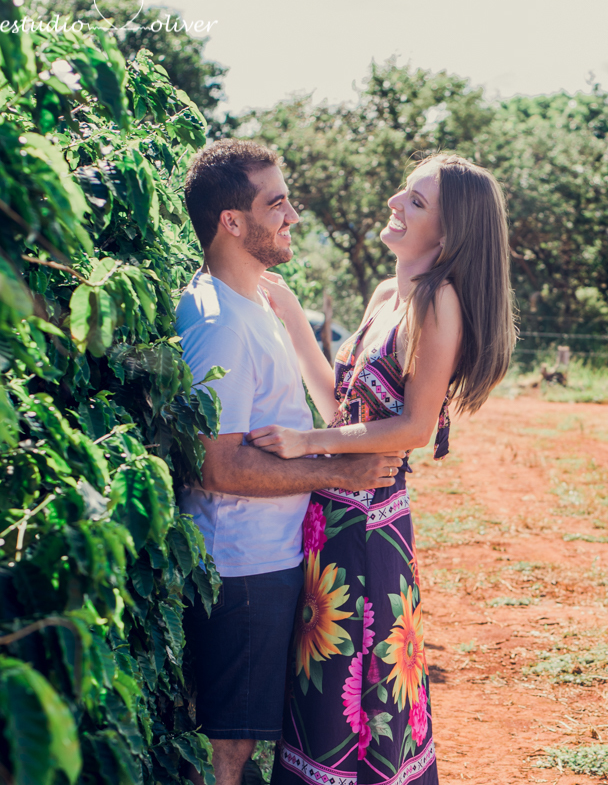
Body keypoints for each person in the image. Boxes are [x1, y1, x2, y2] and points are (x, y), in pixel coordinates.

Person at [247, 153, 515, 785]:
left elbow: (416, 427)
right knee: (324, 680)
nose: (395, 202)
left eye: (416, 202)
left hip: (371, 525)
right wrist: (289, 315)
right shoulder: (386, 294)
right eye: (405, 191)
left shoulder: (436, 302)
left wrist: (303, 441)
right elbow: (342, 405)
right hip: (333, 514)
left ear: (447, 235)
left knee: (358, 685)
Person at [177, 139, 407, 785]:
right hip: (244, 569)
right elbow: (216, 465)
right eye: (276, 203)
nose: (292, 216)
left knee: (245, 743)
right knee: (231, 751)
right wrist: (337, 472)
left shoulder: (255, 302)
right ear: (232, 222)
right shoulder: (221, 324)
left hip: (267, 560)